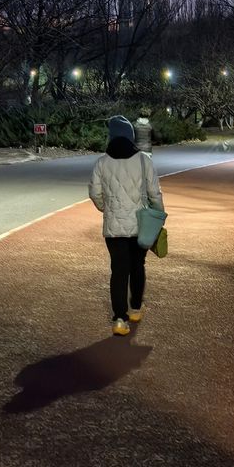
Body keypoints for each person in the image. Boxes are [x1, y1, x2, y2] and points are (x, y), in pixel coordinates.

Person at [88, 115, 164, 337]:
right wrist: (159, 215)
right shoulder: (143, 161)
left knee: (118, 271)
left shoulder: (102, 162)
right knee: (137, 266)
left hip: (113, 227)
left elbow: (94, 192)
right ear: (131, 136)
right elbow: (154, 194)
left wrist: (106, 208)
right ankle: (136, 309)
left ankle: (119, 319)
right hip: (140, 224)